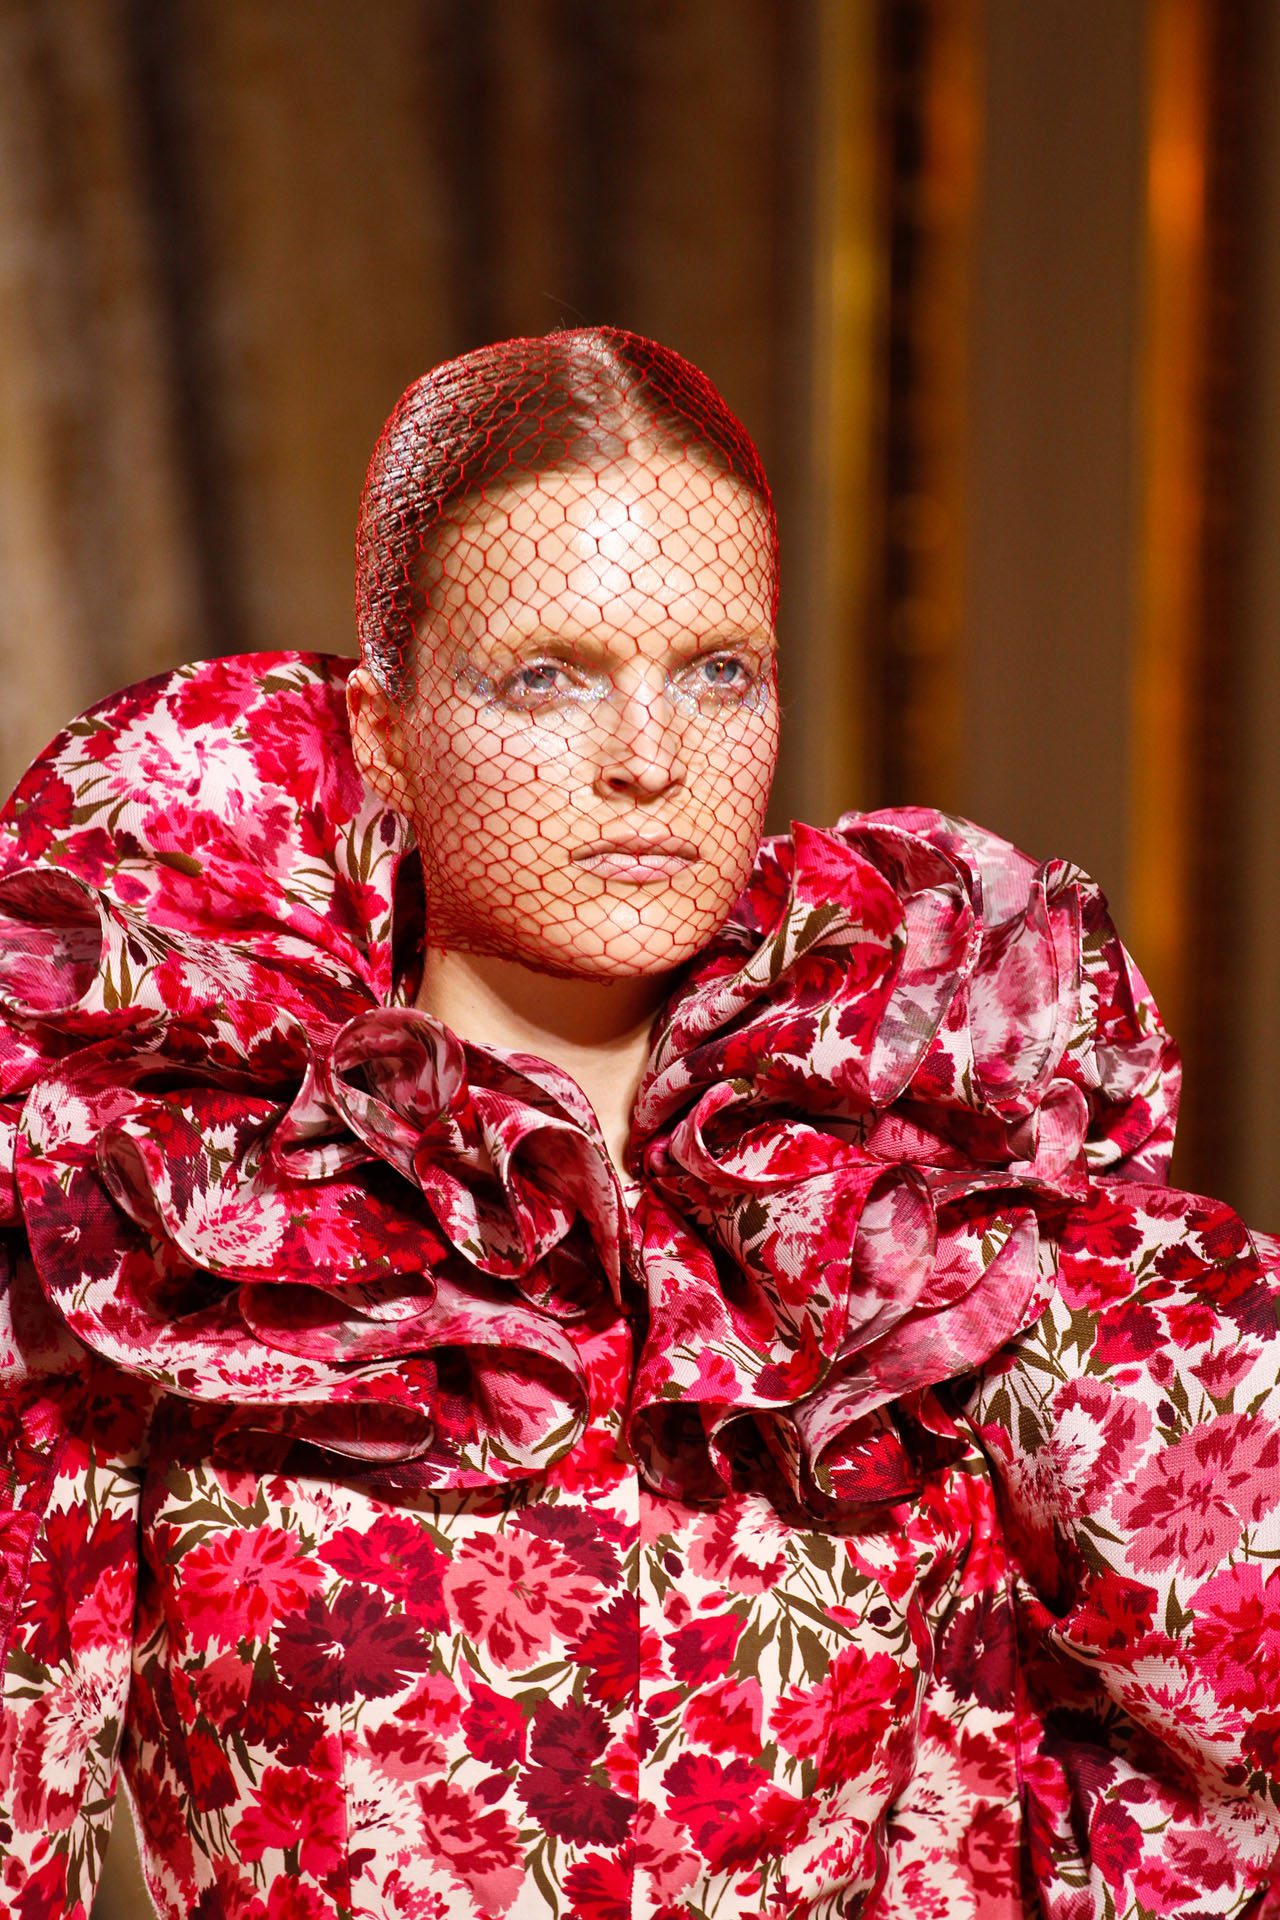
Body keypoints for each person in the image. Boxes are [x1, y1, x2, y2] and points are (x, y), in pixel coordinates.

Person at [0, 327, 1276, 1920]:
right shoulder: (182, 1222)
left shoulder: (915, 1230)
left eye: (718, 671)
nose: (649, 762)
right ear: (383, 731)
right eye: (546, 676)